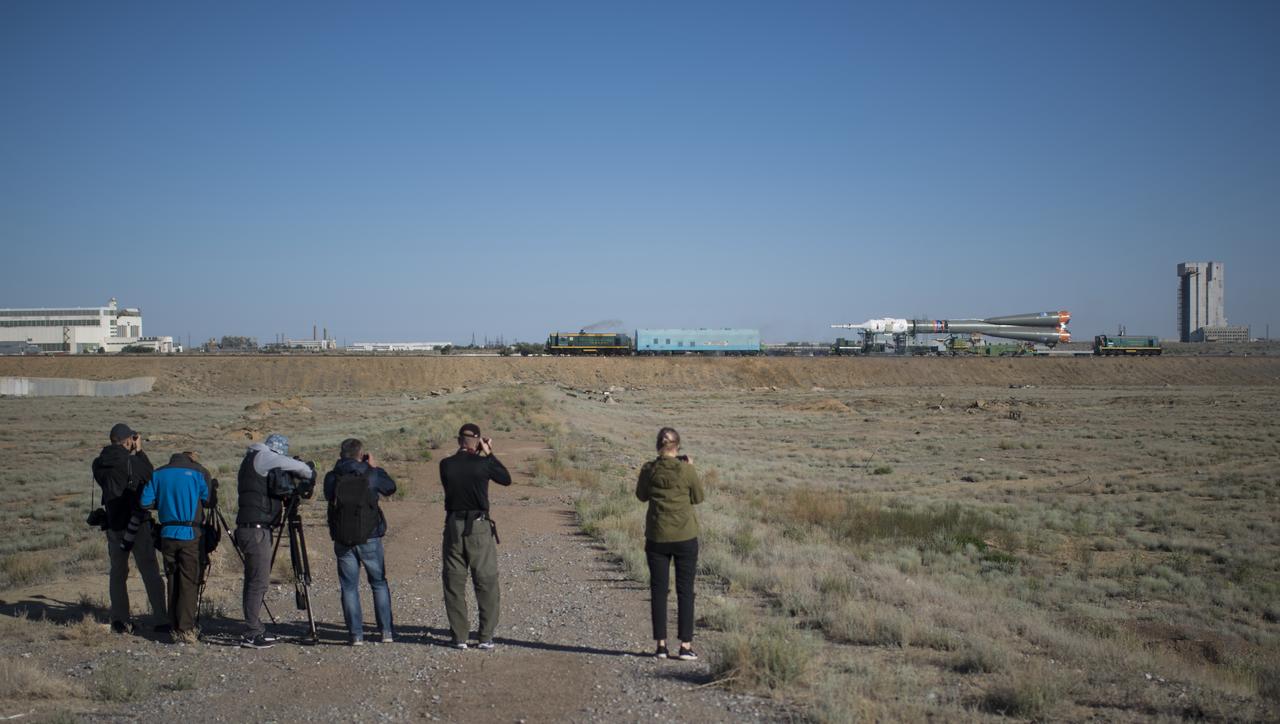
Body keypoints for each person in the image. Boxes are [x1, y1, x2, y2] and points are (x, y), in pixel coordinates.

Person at [235, 433, 316, 649]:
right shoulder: (264, 456)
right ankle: (252, 633)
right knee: (258, 582)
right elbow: (302, 470)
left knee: (254, 580)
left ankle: (255, 627)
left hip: (251, 528)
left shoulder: (251, 459)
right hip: (256, 530)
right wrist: (306, 468)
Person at [438, 423, 511, 649]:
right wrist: (488, 453)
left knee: (454, 581)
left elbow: (464, 469)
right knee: (486, 581)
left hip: (453, 526)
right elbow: (505, 478)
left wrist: (479, 454)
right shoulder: (483, 464)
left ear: (459, 440)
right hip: (478, 526)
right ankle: (486, 636)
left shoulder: (445, 465)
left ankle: (460, 636)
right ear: (478, 440)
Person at [635, 427, 705, 660]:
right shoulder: (686, 470)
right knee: (685, 591)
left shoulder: (648, 469)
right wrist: (691, 468)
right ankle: (685, 646)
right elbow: (698, 498)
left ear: (658, 445)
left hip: (657, 536)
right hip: (685, 536)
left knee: (658, 590)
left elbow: (641, 496)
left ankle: (661, 645)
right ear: (678, 446)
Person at [91, 422, 166, 634]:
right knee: (149, 570)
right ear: (127, 440)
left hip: (113, 523)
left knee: (117, 572)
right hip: (137, 523)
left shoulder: (99, 463)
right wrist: (140, 452)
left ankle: (120, 620)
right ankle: (161, 618)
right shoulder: (132, 462)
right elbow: (150, 475)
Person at [323, 438, 397, 645]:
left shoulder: (332, 477)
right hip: (370, 535)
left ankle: (356, 635)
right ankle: (386, 632)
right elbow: (390, 488)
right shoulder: (370, 474)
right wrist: (375, 467)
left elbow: (328, 495)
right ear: (360, 454)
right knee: (379, 584)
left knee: (349, 587)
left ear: (341, 453)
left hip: (343, 538)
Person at [138, 452, 210, 644]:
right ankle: (186, 628)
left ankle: (173, 624)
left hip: (167, 534)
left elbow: (144, 502)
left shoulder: (158, 473)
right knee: (188, 580)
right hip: (190, 533)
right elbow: (208, 498)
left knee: (172, 578)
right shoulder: (197, 472)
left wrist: (162, 502)